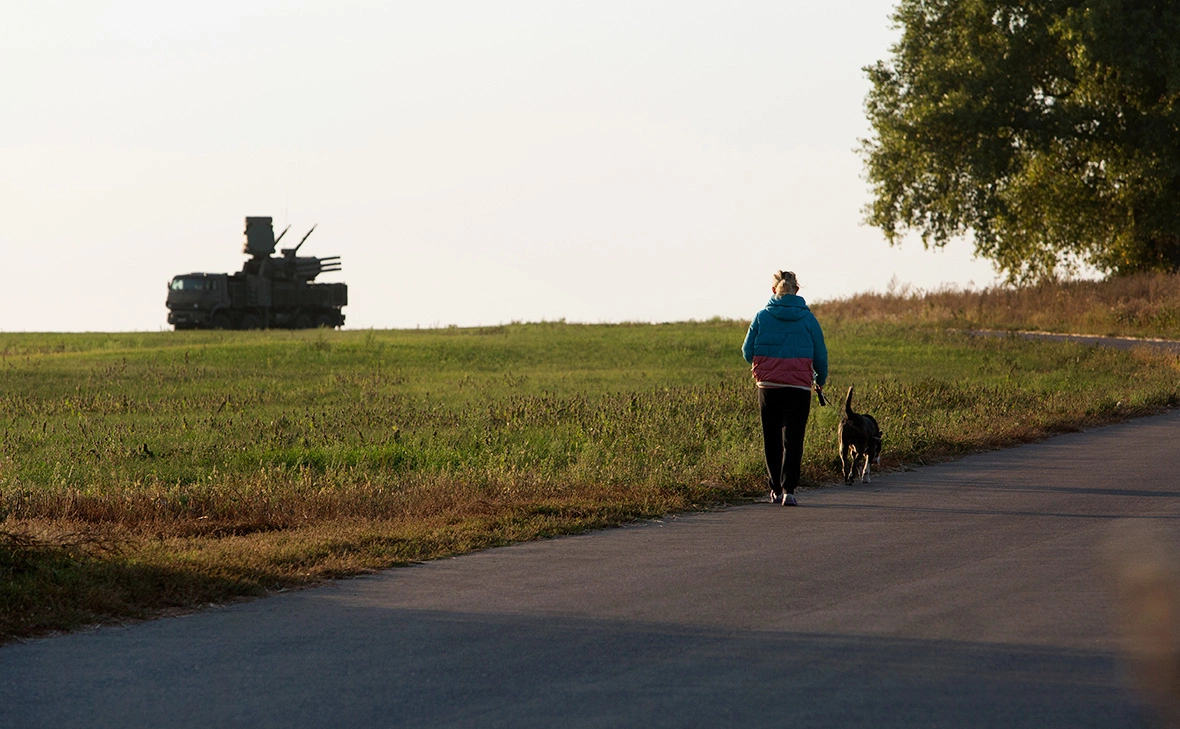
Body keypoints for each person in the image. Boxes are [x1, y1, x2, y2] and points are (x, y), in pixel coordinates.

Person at [741, 270, 828, 506]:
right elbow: (820, 354)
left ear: (773, 290)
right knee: (794, 439)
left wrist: (767, 364)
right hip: (799, 387)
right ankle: (789, 490)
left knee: (771, 438)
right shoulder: (809, 319)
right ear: (796, 290)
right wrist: (821, 379)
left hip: (768, 386)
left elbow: (746, 352)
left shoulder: (761, 317)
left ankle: (775, 489)